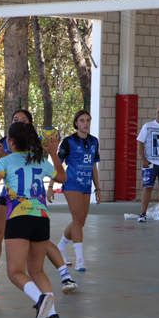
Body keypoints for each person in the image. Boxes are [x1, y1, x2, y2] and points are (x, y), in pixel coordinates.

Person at [0, 121, 67, 318]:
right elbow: (62, 177)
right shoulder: (40, 160)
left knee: (15, 272)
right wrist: (53, 153)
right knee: (37, 270)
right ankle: (53, 315)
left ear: (10, 142)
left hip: (19, 218)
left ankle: (40, 300)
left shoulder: (6, 161)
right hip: (41, 219)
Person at [0, 109, 78, 294]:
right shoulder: (6, 141)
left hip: (30, 196)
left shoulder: (36, 144)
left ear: (30, 124)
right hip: (10, 195)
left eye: (23, 120)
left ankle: (64, 274)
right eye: (16, 118)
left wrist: (4, 159)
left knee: (39, 240)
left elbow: (31, 165)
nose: (19, 121)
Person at [55, 110, 100, 272]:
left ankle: (61, 246)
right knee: (76, 219)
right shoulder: (68, 142)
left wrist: (98, 187)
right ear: (76, 123)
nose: (85, 123)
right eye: (82, 120)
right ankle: (80, 260)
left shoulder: (94, 141)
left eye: (88, 120)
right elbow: (57, 165)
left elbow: (94, 166)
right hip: (71, 183)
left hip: (86, 185)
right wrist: (50, 186)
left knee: (80, 222)